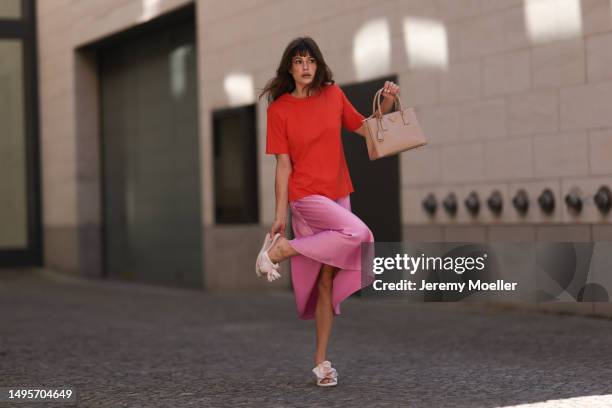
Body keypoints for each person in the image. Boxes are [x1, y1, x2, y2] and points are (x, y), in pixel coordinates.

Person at [256, 36, 400, 387]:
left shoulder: (333, 94)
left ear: (318, 65)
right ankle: (281, 249)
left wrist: (388, 104)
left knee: (325, 281)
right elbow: (283, 167)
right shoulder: (279, 110)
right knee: (360, 234)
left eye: (311, 61)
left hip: (338, 196)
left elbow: (364, 127)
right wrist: (279, 217)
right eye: (299, 61)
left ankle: (321, 363)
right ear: (289, 68)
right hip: (306, 198)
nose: (305, 67)